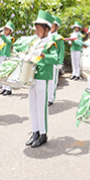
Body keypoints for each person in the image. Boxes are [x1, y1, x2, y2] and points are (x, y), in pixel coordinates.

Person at [25, 11, 58, 149]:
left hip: (43, 76)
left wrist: (42, 54)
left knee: (41, 107)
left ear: (46, 29)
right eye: (36, 28)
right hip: (32, 75)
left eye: (39, 29)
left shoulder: (51, 43)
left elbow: (55, 59)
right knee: (32, 106)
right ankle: (35, 132)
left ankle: (43, 134)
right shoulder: (35, 42)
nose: (36, 31)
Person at [48, 16, 65, 106]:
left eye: (52, 25)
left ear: (57, 27)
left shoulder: (58, 37)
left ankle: (51, 98)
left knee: (52, 80)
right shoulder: (46, 36)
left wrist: (60, 62)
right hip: (46, 61)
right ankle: (46, 97)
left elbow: (61, 51)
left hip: (54, 62)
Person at [0, 21, 14, 96]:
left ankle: (9, 89)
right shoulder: (1, 38)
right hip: (0, 56)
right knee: (2, 73)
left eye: (7, 30)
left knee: (7, 73)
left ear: (10, 31)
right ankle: (4, 88)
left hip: (6, 56)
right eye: (5, 29)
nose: (5, 31)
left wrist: (1, 34)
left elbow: (7, 41)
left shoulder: (10, 38)